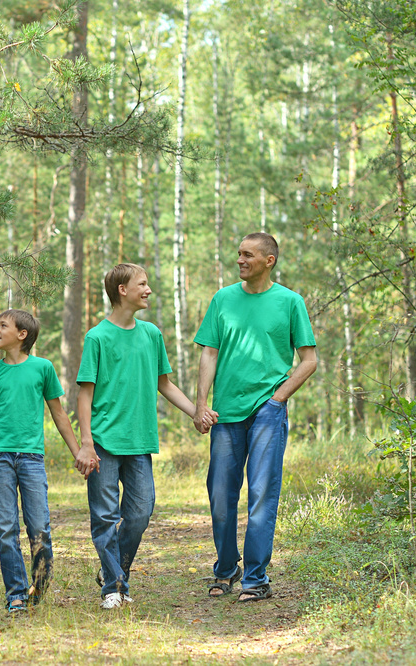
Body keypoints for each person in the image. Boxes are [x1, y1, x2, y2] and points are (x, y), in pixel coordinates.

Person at [75, 263, 217, 609]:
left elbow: (163, 383)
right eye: (142, 284)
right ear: (122, 290)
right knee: (105, 517)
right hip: (104, 443)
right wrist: (86, 443)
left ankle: (113, 571)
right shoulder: (97, 337)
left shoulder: (151, 334)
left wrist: (196, 411)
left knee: (140, 512)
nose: (148, 289)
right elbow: (85, 395)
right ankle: (113, 587)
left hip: (139, 442)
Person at [0, 309, 99, 612]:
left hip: (31, 459)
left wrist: (79, 450)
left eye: (2, 326)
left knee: (39, 526)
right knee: (6, 528)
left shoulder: (43, 368)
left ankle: (40, 582)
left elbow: (59, 415)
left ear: (21, 334)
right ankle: (16, 593)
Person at [193, 233, 317, 602]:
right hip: (225, 412)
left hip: (268, 410)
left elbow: (308, 360)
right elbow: (209, 354)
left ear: (269, 260)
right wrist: (201, 403)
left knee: (262, 493)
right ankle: (226, 569)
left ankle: (255, 578)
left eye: (248, 255)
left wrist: (278, 399)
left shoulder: (290, 302)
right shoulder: (223, 299)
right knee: (220, 494)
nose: (240, 260)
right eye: (238, 254)